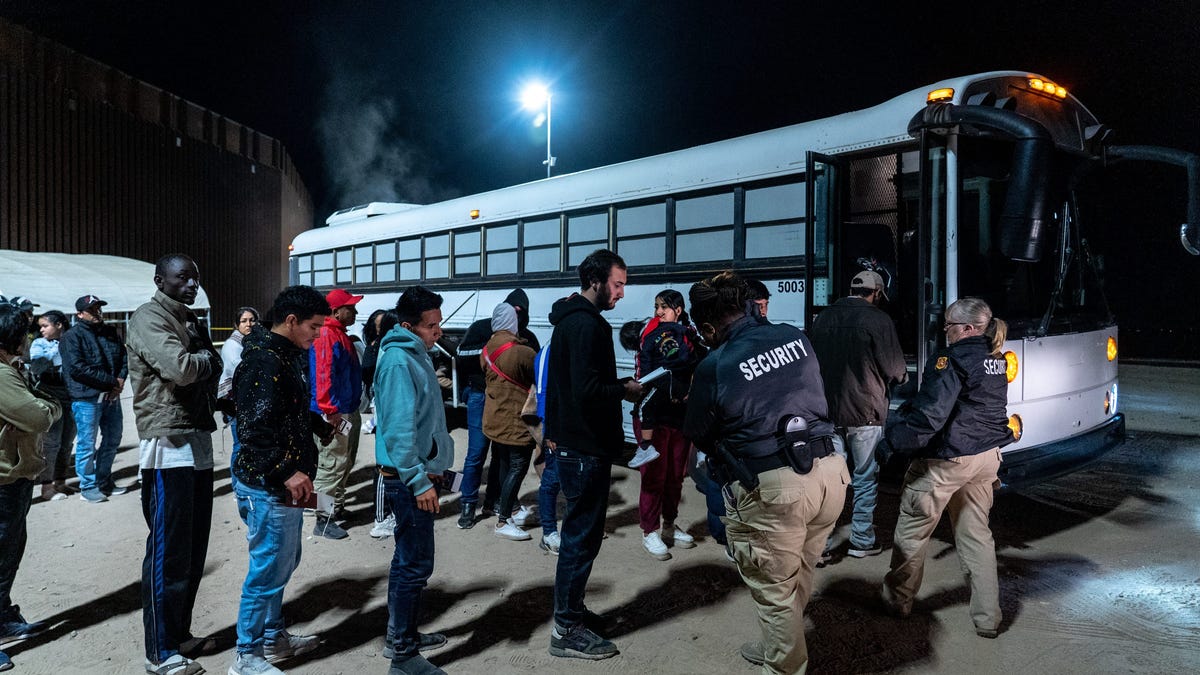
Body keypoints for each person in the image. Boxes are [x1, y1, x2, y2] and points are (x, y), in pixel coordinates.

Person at [682, 270, 848, 675]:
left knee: (774, 592)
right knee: (799, 572)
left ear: (707, 325)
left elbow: (699, 433)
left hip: (775, 488)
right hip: (830, 475)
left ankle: (783, 665)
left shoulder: (716, 362)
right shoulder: (794, 336)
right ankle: (778, 645)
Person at [880, 297, 1014, 639]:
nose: (945, 331)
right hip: (986, 458)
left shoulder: (951, 360)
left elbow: (930, 415)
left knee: (913, 532)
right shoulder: (996, 358)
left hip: (948, 460)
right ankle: (988, 618)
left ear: (968, 328)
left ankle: (897, 602)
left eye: (950, 325)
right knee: (976, 537)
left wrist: (893, 441)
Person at [126, 254, 222, 675]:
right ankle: (160, 652)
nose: (192, 284)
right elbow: (182, 369)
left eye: (195, 278)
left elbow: (201, 368)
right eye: (183, 277)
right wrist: (209, 359)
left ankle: (180, 635)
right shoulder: (149, 317)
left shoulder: (188, 318)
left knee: (192, 548)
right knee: (167, 551)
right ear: (159, 279)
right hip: (168, 443)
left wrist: (205, 358)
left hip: (196, 436)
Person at [544, 249, 641, 661]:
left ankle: (572, 613)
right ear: (597, 281)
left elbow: (569, 385)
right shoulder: (588, 326)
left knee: (579, 539)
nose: (621, 294)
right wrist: (625, 388)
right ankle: (566, 628)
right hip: (584, 450)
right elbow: (588, 391)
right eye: (617, 285)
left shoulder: (571, 321)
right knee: (580, 541)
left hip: (575, 446)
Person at [228, 287, 330, 675]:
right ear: (291, 321)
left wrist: (318, 427)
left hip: (283, 484)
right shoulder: (264, 361)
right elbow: (253, 431)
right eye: (314, 327)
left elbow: (284, 411)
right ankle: (247, 655)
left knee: (283, 563)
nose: (317, 335)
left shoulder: (283, 356)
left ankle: (273, 639)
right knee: (268, 567)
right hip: (268, 485)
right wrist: (287, 470)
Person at [374, 286, 453, 675]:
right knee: (415, 563)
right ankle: (403, 655)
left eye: (439, 323)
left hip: (416, 474)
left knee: (407, 559)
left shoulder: (415, 355)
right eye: (430, 326)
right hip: (408, 480)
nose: (437, 331)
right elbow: (399, 430)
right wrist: (419, 480)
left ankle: (400, 636)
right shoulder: (398, 362)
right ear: (408, 325)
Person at [808, 270, 907, 560]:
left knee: (830, 481)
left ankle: (821, 545)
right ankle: (861, 540)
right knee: (864, 478)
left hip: (826, 413)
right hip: (865, 413)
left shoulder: (824, 317)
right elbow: (896, 369)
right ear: (875, 293)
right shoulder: (878, 319)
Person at [0, 303, 61, 673]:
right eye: (25, 331)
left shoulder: (11, 370)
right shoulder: (2, 375)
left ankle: (3, 616)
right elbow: (40, 415)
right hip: (4, 479)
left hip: (14, 477)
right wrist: (49, 405)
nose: (30, 337)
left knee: (9, 553)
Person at [455, 288, 539, 530]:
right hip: (481, 397)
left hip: (512, 402)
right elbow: (460, 355)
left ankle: (496, 501)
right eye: (513, 311)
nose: (516, 316)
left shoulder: (526, 336)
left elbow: (535, 366)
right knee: (477, 452)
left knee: (502, 457)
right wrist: (495, 347)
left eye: (520, 312)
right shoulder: (483, 328)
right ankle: (468, 505)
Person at [632, 290, 705, 561]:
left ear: (679, 308)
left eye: (664, 307)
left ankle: (670, 526)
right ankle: (649, 531)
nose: (659, 312)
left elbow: (701, 359)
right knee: (654, 476)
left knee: (675, 476)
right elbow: (677, 360)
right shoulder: (660, 333)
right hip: (654, 415)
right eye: (657, 307)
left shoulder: (686, 331)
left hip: (678, 414)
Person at [59, 294, 128, 504]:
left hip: (110, 396)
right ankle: (87, 487)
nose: (97, 312)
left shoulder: (109, 333)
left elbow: (124, 357)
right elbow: (77, 369)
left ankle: (104, 480)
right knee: (87, 444)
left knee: (113, 438)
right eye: (92, 310)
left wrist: (120, 379)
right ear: (80, 314)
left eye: (99, 308)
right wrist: (112, 383)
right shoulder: (72, 337)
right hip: (86, 398)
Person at [308, 289, 364, 539]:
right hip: (334, 412)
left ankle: (335, 509)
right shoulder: (328, 335)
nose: (355, 312)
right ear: (335, 311)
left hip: (343, 410)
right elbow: (323, 374)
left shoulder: (337, 334)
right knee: (331, 464)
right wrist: (330, 412)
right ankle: (324, 519)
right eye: (350, 308)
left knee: (342, 461)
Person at [481, 303, 538, 541]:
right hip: (516, 421)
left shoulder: (486, 349)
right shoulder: (523, 352)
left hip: (495, 419)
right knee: (517, 467)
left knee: (504, 464)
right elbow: (538, 377)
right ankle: (504, 519)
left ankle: (507, 508)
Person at [28, 310, 77, 501]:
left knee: (67, 442)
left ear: (59, 325)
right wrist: (59, 352)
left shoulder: (71, 341)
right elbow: (38, 365)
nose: (41, 330)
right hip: (50, 394)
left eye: (45, 326)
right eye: (40, 326)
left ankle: (61, 482)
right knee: (51, 443)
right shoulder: (39, 344)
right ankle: (46, 487)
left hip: (71, 394)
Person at [364, 310, 401, 539]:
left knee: (391, 463)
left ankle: (390, 513)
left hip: (387, 409)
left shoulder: (388, 348)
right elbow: (370, 376)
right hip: (384, 409)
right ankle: (380, 519)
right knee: (384, 465)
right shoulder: (382, 349)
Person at [219, 306, 259, 489]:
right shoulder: (233, 345)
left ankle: (247, 482)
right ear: (236, 324)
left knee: (249, 444)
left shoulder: (252, 342)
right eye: (244, 321)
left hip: (249, 400)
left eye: (252, 320)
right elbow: (241, 371)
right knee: (240, 445)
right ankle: (238, 485)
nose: (248, 324)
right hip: (235, 401)